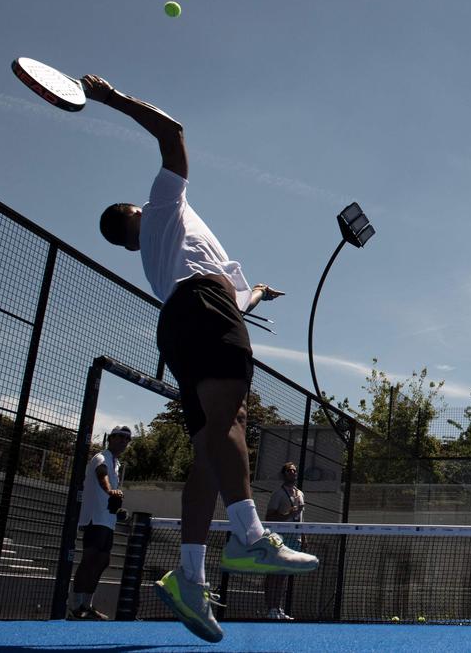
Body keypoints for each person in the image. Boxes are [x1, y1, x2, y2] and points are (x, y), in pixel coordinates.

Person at [82, 74, 318, 643]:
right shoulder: (162, 209)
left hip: (191, 317)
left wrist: (256, 293)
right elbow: (173, 134)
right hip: (205, 309)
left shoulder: (168, 251)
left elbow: (233, 297)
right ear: (134, 215)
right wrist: (112, 99)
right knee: (230, 424)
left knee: (211, 447)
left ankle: (189, 576)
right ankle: (249, 535)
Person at [68, 425, 131, 620]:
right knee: (90, 560)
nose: (123, 441)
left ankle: (88, 605)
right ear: (110, 438)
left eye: (126, 439)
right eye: (119, 437)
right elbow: (101, 474)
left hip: (108, 521)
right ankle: (75, 605)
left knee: (102, 561)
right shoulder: (101, 457)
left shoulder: (117, 463)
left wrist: (117, 510)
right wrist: (110, 491)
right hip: (95, 519)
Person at [263, 461, 307, 620]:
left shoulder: (300, 493)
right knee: (273, 574)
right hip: (279, 539)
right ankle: (271, 609)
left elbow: (301, 518)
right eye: (289, 471)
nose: (293, 474)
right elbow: (269, 517)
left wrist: (303, 536)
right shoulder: (278, 494)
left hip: (294, 539)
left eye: (294, 471)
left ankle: (278, 609)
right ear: (284, 474)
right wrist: (289, 513)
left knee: (283, 576)